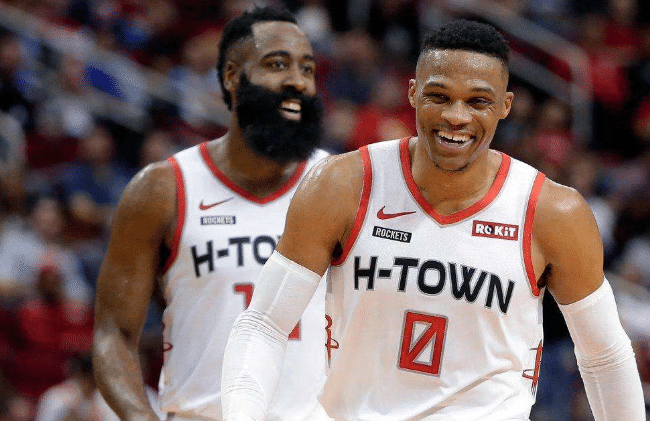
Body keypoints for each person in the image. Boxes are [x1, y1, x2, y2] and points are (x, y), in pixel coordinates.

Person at [221, 19, 646, 420]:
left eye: (478, 101)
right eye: (439, 96)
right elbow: (265, 324)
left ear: (505, 105)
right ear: (412, 93)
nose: (456, 116)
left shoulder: (552, 212)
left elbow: (604, 356)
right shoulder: (341, 185)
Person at [92, 6, 330, 421]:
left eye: (307, 69)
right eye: (278, 64)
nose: (297, 80)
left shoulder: (337, 184)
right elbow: (114, 333)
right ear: (232, 76)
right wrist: (140, 416)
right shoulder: (162, 189)